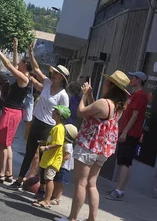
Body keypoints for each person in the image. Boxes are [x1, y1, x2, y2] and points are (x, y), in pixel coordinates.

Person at [54, 71, 130, 221]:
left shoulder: (104, 103)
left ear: (111, 86)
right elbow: (97, 112)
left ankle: (72, 218)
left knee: (80, 183)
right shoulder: (118, 106)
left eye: (107, 82)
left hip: (89, 145)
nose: (105, 84)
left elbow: (81, 112)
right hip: (103, 149)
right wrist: (90, 96)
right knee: (92, 184)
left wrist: (83, 95)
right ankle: (91, 219)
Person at [11, 43, 70, 190]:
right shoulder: (48, 83)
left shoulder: (63, 95)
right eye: (53, 72)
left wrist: (59, 129)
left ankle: (42, 188)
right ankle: (18, 180)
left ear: (62, 78)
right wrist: (31, 54)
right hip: (37, 121)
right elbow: (36, 69)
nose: (53, 75)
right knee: (29, 152)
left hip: (49, 126)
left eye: (57, 74)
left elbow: (65, 114)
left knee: (45, 157)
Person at [0, 37, 32, 183]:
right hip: (12, 112)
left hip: (12, 113)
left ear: (25, 65)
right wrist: (15, 47)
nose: (17, 64)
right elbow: (13, 64)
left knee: (3, 144)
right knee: (7, 144)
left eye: (20, 63)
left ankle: (1, 173)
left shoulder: (24, 79)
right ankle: (8, 173)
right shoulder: (23, 76)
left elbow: (8, 64)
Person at [106, 71, 149, 201]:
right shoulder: (135, 94)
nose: (130, 79)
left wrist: (125, 132)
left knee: (124, 161)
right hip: (128, 132)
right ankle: (120, 189)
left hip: (130, 133)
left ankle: (119, 191)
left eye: (133, 78)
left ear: (139, 80)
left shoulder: (140, 95)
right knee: (125, 161)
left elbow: (135, 116)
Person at [32, 104, 70, 209]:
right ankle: (46, 198)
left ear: (59, 115)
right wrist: (45, 142)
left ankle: (47, 200)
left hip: (53, 159)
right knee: (47, 178)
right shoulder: (56, 127)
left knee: (49, 179)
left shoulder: (59, 128)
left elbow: (58, 143)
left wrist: (46, 148)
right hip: (50, 158)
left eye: (55, 111)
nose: (52, 111)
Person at [51, 124, 78, 206]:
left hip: (64, 167)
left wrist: (58, 159)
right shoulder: (64, 142)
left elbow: (66, 157)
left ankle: (57, 198)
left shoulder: (68, 145)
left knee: (59, 183)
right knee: (55, 181)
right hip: (60, 165)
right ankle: (53, 196)